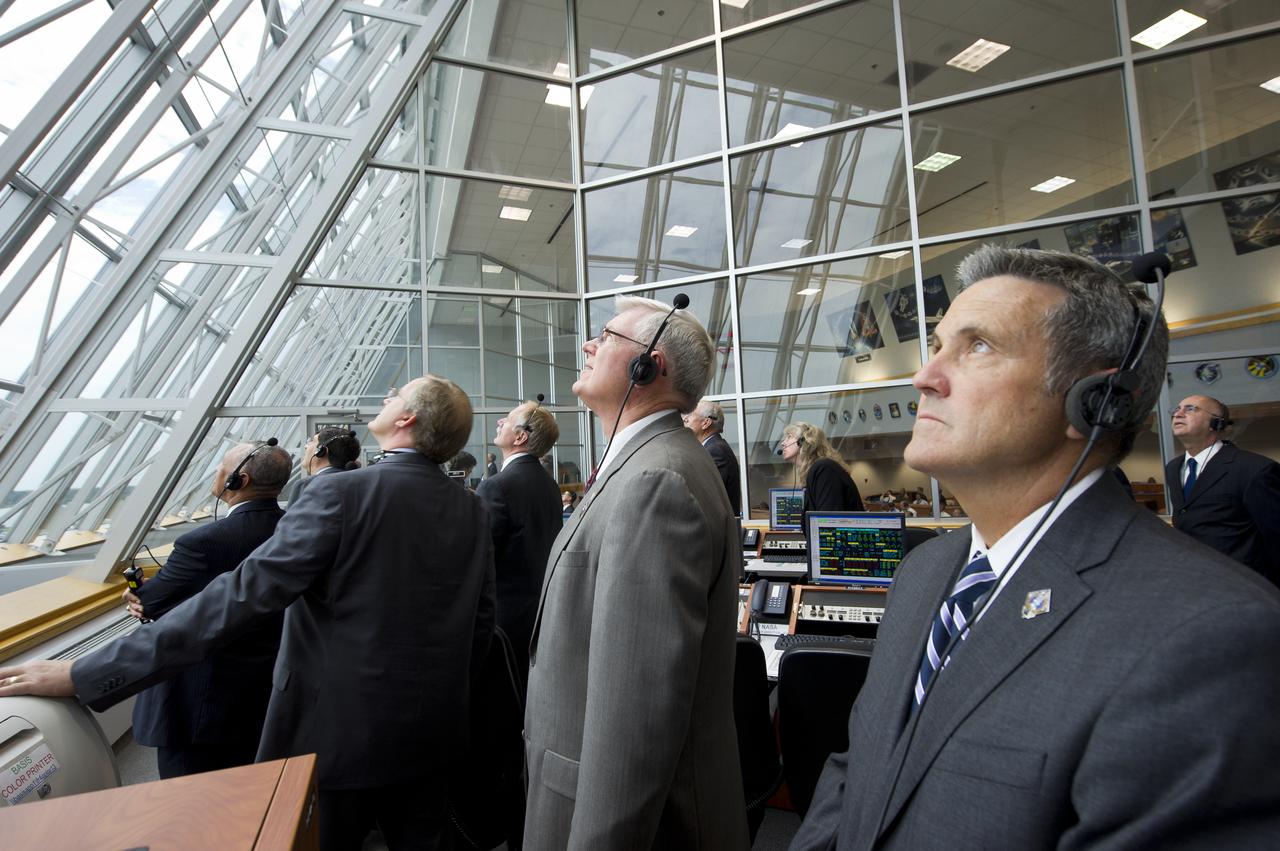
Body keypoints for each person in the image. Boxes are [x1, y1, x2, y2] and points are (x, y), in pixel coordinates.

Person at [790, 246, 1280, 849]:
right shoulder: (925, 572)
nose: (925, 376)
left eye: (978, 347)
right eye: (939, 345)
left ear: (1096, 403)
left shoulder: (1212, 635)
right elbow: (858, 769)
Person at [0, 375, 496, 851]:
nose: (386, 399)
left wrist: (86, 673)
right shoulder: (471, 508)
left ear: (406, 418)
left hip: (338, 739)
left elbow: (239, 597)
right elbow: (480, 622)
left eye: (396, 396)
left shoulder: (340, 492)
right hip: (435, 734)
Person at [524, 295, 748, 849]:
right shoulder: (640, 465)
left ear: (651, 365)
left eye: (605, 336)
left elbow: (634, 720)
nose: (588, 345)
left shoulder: (657, 481)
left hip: (608, 818)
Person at [125, 441, 290, 779]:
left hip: (200, 703)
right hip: (271, 690)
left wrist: (140, 593)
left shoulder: (201, 543)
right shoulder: (295, 531)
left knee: (190, 803)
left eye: (221, 468)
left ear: (237, 481)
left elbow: (151, 604)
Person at [476, 399, 562, 687]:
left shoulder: (497, 486)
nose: (500, 422)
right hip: (540, 613)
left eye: (507, 419)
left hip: (504, 621)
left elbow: (480, 557)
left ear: (520, 436)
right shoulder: (549, 484)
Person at [1166, 394, 1280, 587]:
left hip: (1244, 586)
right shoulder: (1173, 468)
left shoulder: (1254, 469)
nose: (1179, 414)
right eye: (1176, 409)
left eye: (1191, 409)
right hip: (1193, 581)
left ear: (1216, 424)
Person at [780, 422, 863, 514]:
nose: (783, 443)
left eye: (789, 437)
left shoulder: (825, 470)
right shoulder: (816, 470)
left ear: (803, 441)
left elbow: (828, 520)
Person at [682, 399, 741, 515]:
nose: (685, 419)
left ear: (706, 423)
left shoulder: (716, 451)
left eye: (690, 415)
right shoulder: (713, 447)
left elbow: (705, 495)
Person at [285, 426, 360, 504]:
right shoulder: (358, 486)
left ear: (321, 451)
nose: (305, 446)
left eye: (313, 442)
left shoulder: (305, 486)